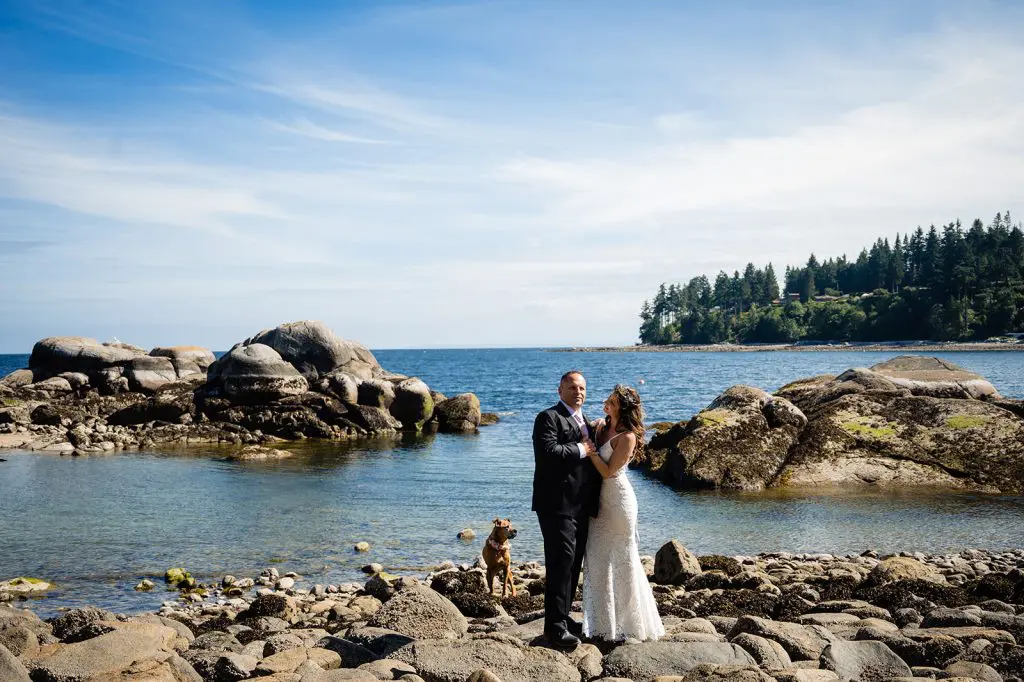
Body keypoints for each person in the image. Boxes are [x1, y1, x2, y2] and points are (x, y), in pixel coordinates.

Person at [582, 384, 665, 642]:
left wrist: (590, 450)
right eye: (609, 398)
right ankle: (602, 626)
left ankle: (630, 626)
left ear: (623, 407)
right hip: (597, 502)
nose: (607, 402)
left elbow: (609, 472)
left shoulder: (627, 437)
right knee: (596, 559)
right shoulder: (599, 426)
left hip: (618, 502)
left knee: (623, 560)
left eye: (613, 401)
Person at [532, 370, 602, 649]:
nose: (578, 392)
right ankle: (553, 629)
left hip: (580, 507)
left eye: (583, 387)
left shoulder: (585, 420)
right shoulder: (548, 418)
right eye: (572, 387)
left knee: (573, 566)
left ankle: (562, 618)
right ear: (559, 390)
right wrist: (583, 448)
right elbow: (548, 453)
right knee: (560, 565)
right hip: (556, 505)